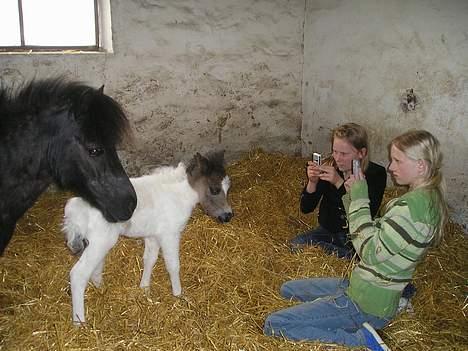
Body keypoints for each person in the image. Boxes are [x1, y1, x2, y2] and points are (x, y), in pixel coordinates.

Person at [264, 130, 448, 351]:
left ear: (421, 166)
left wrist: (360, 197)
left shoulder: (409, 208)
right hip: (362, 285)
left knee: (275, 324)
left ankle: (363, 341)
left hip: (366, 303)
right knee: (288, 289)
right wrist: (351, 194)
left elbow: (368, 251)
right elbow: (373, 234)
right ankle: (392, 302)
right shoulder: (423, 199)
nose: (391, 167)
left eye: (398, 160)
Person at [290, 123, 387, 258]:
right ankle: (334, 256)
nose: (338, 158)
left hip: (354, 237)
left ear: (361, 153)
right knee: (296, 243)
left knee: (358, 256)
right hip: (326, 231)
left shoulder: (375, 174)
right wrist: (312, 182)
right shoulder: (330, 166)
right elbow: (306, 208)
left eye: (344, 153)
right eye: (335, 151)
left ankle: (335, 256)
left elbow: (369, 213)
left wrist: (338, 183)